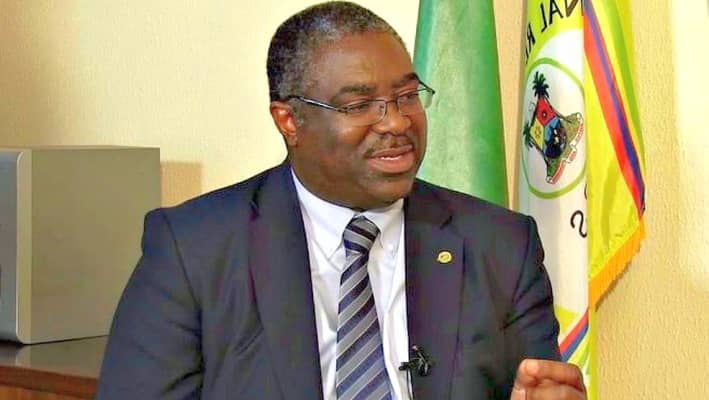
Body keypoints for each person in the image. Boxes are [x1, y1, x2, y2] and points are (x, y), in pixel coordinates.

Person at [96, 2, 586, 399]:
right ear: (290, 121)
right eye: (359, 105)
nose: (396, 122)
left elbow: (537, 387)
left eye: (407, 96)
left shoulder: (500, 245)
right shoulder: (194, 250)